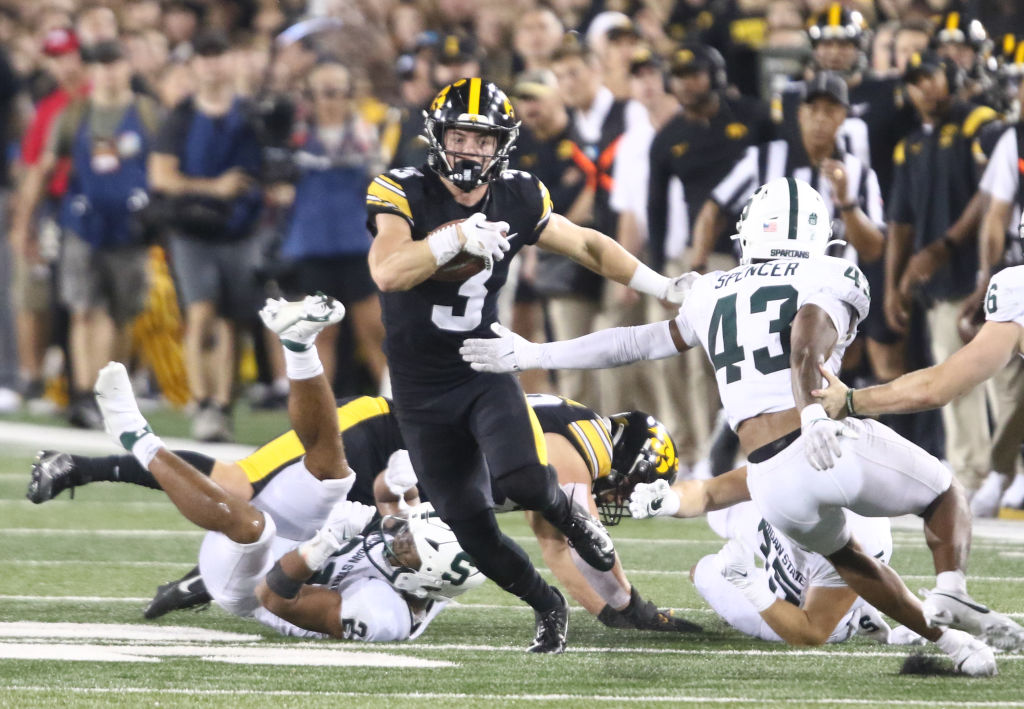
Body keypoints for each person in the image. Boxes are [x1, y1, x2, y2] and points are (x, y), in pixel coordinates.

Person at [461, 177, 1017, 675]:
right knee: (945, 492)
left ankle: (950, 643)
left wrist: (536, 350)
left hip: (769, 477)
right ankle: (952, 592)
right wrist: (815, 412)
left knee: (851, 561)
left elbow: (633, 343)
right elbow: (808, 333)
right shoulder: (832, 271)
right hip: (822, 439)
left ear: (752, 229)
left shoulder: (712, 289)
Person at [365, 77, 690, 653]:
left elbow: (588, 245)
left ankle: (568, 513)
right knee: (467, 520)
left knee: (520, 477)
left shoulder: (518, 194)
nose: (470, 150)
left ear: (503, 146)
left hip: (484, 365)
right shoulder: (403, 189)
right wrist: (452, 239)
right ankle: (548, 605)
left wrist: (663, 286)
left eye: (483, 140)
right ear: (438, 136)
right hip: (418, 387)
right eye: (460, 136)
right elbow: (388, 272)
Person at [30, 393, 699, 633]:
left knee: (335, 548)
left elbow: (554, 546)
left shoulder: (576, 437)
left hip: (412, 478)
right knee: (238, 486)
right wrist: (622, 604)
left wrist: (612, 607)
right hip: (383, 435)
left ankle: (207, 581)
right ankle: (85, 464)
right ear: (630, 462)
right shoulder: (578, 448)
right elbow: (561, 541)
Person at [83, 294, 483, 641]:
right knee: (333, 474)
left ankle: (135, 436)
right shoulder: (426, 556)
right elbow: (391, 507)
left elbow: (275, 597)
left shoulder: (383, 617)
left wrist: (321, 547)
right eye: (409, 536)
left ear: (419, 582)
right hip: (303, 540)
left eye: (407, 548)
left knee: (254, 528)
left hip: (252, 583)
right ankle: (298, 344)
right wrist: (396, 487)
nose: (397, 539)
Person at [630, 467, 901, 647]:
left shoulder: (863, 535)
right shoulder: (781, 470)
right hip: (801, 543)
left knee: (705, 572)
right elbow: (708, 492)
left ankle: (847, 619)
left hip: (811, 601)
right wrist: (671, 500)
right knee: (719, 522)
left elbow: (809, 632)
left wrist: (748, 583)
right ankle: (854, 606)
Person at [149, 31, 264, 442]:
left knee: (233, 322)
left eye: (218, 55)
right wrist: (216, 188)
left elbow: (270, 163)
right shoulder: (180, 116)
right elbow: (161, 177)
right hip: (193, 231)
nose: (212, 65)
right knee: (200, 314)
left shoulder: (250, 113)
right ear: (194, 65)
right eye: (205, 56)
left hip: (240, 230)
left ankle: (221, 404)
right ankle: (201, 402)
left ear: (229, 62)